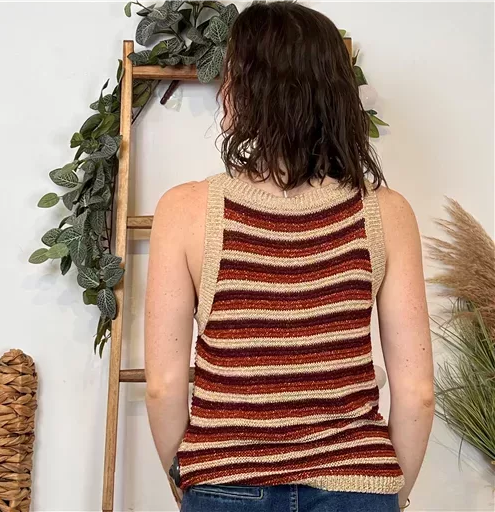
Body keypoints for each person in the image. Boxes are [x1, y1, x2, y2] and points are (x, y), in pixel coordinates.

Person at [144, 2, 435, 511]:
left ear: (256, 88)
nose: (223, 89)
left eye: (232, 74)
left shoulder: (184, 210)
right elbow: (418, 394)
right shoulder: (387, 214)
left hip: (224, 487)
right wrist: (391, 496)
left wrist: (192, 484)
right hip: (355, 487)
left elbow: (164, 386)